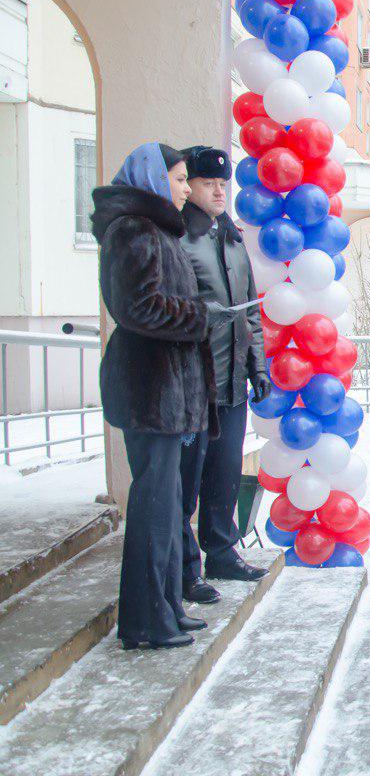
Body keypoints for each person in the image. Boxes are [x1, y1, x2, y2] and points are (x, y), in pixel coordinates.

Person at [92, 143, 223, 650]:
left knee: (168, 510)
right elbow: (138, 308)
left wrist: (201, 310)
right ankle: (145, 622)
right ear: (152, 179)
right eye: (180, 178)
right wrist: (199, 316)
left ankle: (167, 606)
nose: (187, 188)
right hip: (149, 392)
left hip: (168, 392)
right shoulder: (133, 231)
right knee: (152, 511)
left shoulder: (156, 230)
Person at [176, 146, 270, 606]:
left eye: (223, 183)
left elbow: (249, 312)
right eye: (207, 182)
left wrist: (258, 366)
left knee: (225, 473)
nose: (218, 190)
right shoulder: (178, 237)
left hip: (232, 379)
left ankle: (221, 551)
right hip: (194, 381)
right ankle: (184, 567)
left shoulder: (230, 237)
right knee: (186, 480)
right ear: (187, 186)